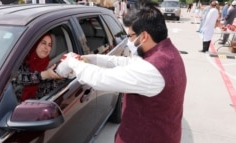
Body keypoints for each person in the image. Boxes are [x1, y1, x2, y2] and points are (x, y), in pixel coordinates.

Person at [55, 1, 187, 143]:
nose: (128, 41)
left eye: (130, 36)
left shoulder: (152, 70)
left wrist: (71, 62)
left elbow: (100, 78)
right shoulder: (167, 53)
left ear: (144, 37)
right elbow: (128, 62)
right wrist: (93, 59)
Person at [12, 33, 63, 101]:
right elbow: (17, 77)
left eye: (49, 45)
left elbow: (54, 94)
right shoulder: (22, 60)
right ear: (36, 44)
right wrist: (44, 75)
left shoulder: (51, 67)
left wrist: (61, 77)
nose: (46, 47)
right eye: (43, 43)